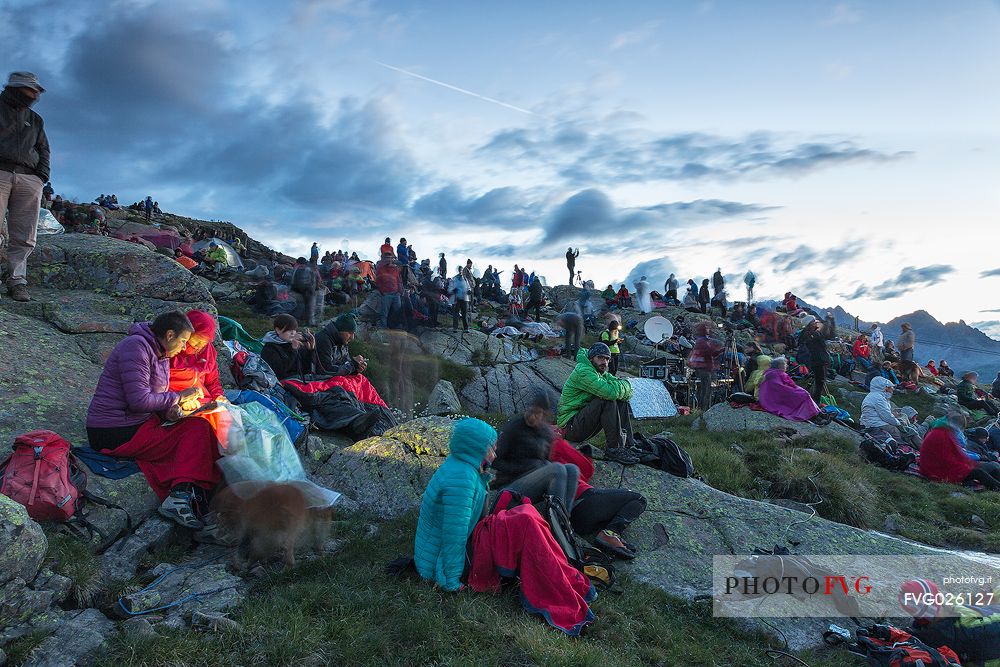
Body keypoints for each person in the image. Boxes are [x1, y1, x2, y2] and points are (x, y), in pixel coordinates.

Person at [86, 311, 219, 530]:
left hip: (135, 422)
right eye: (184, 340)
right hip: (113, 430)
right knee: (196, 431)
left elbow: (155, 396)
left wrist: (171, 411)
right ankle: (180, 496)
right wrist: (178, 397)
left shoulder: (160, 353)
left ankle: (188, 495)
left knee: (198, 425)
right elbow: (139, 400)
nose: (184, 347)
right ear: (169, 335)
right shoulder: (135, 347)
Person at [414, 418, 497, 592]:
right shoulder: (462, 479)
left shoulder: (461, 465)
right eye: (491, 448)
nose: (494, 455)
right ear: (476, 447)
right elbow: (454, 535)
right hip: (437, 564)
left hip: (436, 554)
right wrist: (451, 580)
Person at [1, 72, 49, 303]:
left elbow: (44, 149)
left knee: (25, 233)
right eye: (32, 89)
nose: (36, 94)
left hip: (29, 178)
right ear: (17, 88)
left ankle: (17, 280)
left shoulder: (35, 119)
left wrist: (41, 176)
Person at [492, 390, 580, 512]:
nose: (531, 416)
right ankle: (556, 518)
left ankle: (564, 517)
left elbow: (545, 463)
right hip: (509, 486)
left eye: (537, 413)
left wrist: (539, 468)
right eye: (530, 410)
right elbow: (495, 461)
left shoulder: (546, 434)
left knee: (573, 470)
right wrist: (528, 467)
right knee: (557, 469)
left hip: (534, 485)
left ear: (545, 415)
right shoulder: (514, 427)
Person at [557, 343, 639, 464]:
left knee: (621, 400)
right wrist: (623, 386)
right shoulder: (584, 371)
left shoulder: (601, 373)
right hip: (570, 426)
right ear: (591, 358)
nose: (604, 362)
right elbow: (610, 392)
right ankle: (614, 449)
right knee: (606, 399)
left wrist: (625, 386)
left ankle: (628, 444)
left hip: (581, 422)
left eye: (607, 358)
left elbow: (628, 391)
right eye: (600, 357)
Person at [919, 413, 1000, 490]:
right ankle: (997, 487)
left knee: (982, 470)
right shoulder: (943, 435)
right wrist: (969, 465)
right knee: (978, 472)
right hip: (936, 472)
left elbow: (954, 454)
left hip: (931, 467)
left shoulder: (939, 431)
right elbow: (950, 458)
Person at [757, 357, 821, 422]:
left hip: (766, 398)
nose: (786, 366)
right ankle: (812, 415)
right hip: (774, 399)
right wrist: (796, 390)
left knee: (802, 393)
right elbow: (781, 387)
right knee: (804, 394)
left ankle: (816, 413)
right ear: (780, 366)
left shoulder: (770, 372)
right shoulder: (778, 373)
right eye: (785, 364)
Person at [260, 314, 316, 380]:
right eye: (289, 330)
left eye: (294, 330)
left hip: (300, 380)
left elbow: (307, 369)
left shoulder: (293, 343)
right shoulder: (269, 349)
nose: (293, 333)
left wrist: (311, 351)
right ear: (278, 330)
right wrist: (294, 350)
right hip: (283, 384)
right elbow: (279, 373)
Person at [687, 322, 723, 410]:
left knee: (706, 389)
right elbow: (709, 352)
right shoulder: (702, 341)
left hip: (704, 368)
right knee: (705, 389)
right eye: (707, 328)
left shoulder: (703, 340)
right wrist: (719, 348)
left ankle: (703, 408)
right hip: (703, 368)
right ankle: (703, 409)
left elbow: (711, 353)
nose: (709, 329)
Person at [375, 253, 403, 329]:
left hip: (396, 294)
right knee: (384, 312)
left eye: (390, 258)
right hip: (386, 294)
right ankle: (383, 328)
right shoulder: (381, 269)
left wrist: (400, 291)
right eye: (386, 258)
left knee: (398, 311)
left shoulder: (396, 269)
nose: (388, 259)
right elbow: (378, 281)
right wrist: (382, 291)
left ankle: (397, 326)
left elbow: (399, 280)